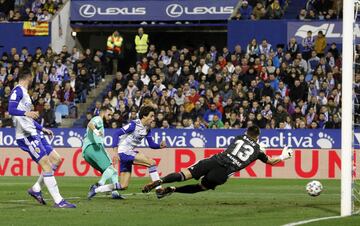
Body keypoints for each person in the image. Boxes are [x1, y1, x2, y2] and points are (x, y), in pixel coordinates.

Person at [142, 125, 293, 197]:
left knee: (183, 174)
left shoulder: (239, 137)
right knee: (201, 187)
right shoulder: (259, 150)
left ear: (247, 132)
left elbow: (247, 140)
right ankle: (173, 190)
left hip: (215, 160)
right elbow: (271, 162)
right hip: (223, 173)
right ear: (258, 137)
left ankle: (160, 181)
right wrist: (283, 156)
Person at [8, 70, 76, 208]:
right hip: (27, 136)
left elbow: (28, 118)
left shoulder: (25, 94)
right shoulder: (18, 90)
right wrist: (26, 112)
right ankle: (59, 201)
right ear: (29, 78)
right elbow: (11, 109)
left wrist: (41, 128)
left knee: (57, 159)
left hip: (35, 132)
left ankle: (36, 189)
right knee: (46, 164)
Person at [112, 106, 167, 198]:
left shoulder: (147, 128)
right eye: (151, 116)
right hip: (123, 152)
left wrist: (159, 146)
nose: (153, 118)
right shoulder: (134, 125)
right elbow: (116, 134)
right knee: (151, 163)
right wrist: (115, 152)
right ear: (144, 116)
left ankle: (98, 188)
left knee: (123, 186)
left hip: (128, 152)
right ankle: (159, 189)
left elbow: (151, 144)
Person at [84, 106, 124, 200]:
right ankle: (97, 186)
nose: (110, 117)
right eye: (109, 114)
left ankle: (115, 193)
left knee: (113, 172)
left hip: (87, 152)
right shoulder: (98, 119)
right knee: (110, 167)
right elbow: (90, 124)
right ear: (104, 112)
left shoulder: (100, 121)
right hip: (94, 148)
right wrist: (96, 132)